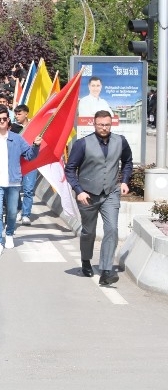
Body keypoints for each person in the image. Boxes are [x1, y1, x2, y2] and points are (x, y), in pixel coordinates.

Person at [65, 110, 133, 285]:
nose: (104, 128)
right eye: (101, 124)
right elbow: (70, 169)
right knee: (89, 232)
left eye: (107, 125)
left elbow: (127, 162)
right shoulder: (82, 144)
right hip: (87, 195)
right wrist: (78, 190)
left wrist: (125, 181)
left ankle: (106, 271)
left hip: (111, 192)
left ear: (112, 124)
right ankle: (86, 260)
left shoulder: (121, 141)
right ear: (94, 124)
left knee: (112, 230)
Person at [0, 106, 42, 256]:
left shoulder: (17, 138)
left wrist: (36, 146)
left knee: (12, 213)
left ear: (8, 120)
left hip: (13, 182)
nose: (2, 121)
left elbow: (29, 156)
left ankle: (10, 234)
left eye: (4, 119)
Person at [12, 105, 36, 225]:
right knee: (15, 188)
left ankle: (26, 214)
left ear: (26, 114)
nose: (17, 116)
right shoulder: (12, 128)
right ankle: (18, 209)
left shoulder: (35, 126)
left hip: (31, 162)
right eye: (15, 114)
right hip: (16, 162)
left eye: (19, 114)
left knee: (28, 190)